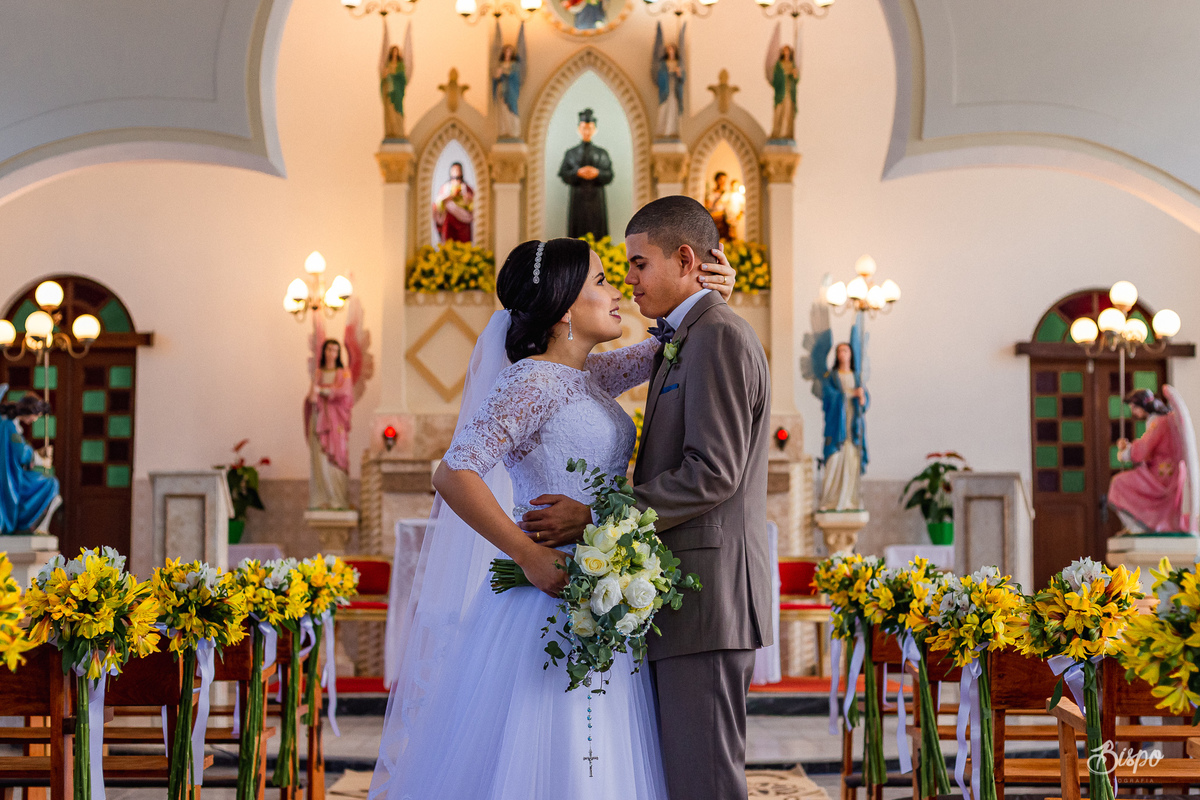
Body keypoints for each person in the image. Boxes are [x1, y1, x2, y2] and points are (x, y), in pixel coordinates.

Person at [369, 234, 738, 798]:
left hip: (603, 593)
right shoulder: (531, 380)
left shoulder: (589, 376)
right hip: (546, 596)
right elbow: (454, 472)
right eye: (602, 281)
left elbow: (673, 335)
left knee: (598, 752)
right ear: (566, 306)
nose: (618, 291)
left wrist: (715, 293)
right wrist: (532, 556)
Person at [518, 196, 774, 800]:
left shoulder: (716, 337)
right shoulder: (688, 334)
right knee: (681, 779)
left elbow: (713, 472)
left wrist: (595, 517)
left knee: (704, 783)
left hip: (708, 602)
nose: (628, 280)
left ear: (684, 258)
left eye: (637, 264)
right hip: (683, 600)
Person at [1108, 388, 1188, 532]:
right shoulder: (1167, 420)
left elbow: (1143, 449)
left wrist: (1126, 452)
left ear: (1142, 406)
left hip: (1160, 475)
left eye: (1134, 407)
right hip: (1170, 472)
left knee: (1118, 483)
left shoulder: (1159, 423)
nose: (1133, 412)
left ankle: (1138, 526)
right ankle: (1141, 524)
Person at [818, 330, 868, 511]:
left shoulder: (856, 377)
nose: (842, 354)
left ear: (851, 355)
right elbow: (828, 397)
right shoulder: (831, 377)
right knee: (833, 462)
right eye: (839, 351)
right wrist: (848, 395)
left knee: (851, 463)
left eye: (846, 351)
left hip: (853, 428)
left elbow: (865, 401)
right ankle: (830, 500)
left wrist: (862, 398)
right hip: (836, 427)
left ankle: (849, 501)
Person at [0, 392, 61, 535]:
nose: (36, 419)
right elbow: (21, 454)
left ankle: (37, 525)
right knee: (51, 483)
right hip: (11, 476)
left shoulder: (11, 424)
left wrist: (39, 453)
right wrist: (41, 460)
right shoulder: (9, 426)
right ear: (30, 412)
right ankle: (30, 524)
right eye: (37, 415)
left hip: (14, 472)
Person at [305, 339, 353, 509]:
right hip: (320, 421)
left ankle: (338, 499)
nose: (331, 353)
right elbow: (311, 398)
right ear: (324, 352)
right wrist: (315, 389)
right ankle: (322, 499)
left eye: (335, 350)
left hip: (336, 422)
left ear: (338, 353)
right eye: (328, 349)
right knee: (320, 459)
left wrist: (324, 391)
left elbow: (346, 393)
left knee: (336, 457)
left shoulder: (344, 373)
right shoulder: (318, 374)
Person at [558, 109, 614, 239]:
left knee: (597, 230)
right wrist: (577, 172)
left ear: (595, 130)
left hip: (597, 199)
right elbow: (563, 173)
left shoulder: (602, 153)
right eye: (584, 128)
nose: (587, 132)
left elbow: (609, 174)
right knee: (577, 231)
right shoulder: (571, 153)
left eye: (590, 128)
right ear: (579, 129)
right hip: (578, 198)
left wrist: (597, 173)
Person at [491, 22, 526, 140]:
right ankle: (504, 130)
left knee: (512, 109)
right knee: (502, 110)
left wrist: (505, 73)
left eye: (510, 51)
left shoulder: (514, 65)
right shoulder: (501, 64)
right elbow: (496, 77)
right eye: (506, 51)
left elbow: (514, 76)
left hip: (511, 89)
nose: (508, 53)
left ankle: (513, 131)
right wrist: (497, 75)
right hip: (502, 88)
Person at [652, 22, 685, 139]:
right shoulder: (663, 64)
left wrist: (679, 74)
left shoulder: (678, 63)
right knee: (664, 109)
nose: (670, 52)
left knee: (674, 108)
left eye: (672, 50)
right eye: (668, 50)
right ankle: (663, 131)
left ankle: (673, 131)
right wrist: (666, 73)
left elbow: (683, 78)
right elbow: (658, 75)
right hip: (666, 89)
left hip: (674, 88)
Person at [432, 162, 475, 243]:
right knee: (449, 243)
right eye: (454, 170)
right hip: (449, 221)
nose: (456, 171)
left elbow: (474, 203)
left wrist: (468, 199)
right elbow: (438, 203)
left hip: (464, 222)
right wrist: (449, 197)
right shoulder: (445, 188)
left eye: (458, 169)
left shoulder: (467, 188)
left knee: (464, 245)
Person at [705, 171, 732, 239]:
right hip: (714, 218)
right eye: (721, 180)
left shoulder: (728, 194)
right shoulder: (711, 193)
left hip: (724, 220)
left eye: (725, 180)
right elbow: (708, 206)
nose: (723, 182)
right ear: (716, 180)